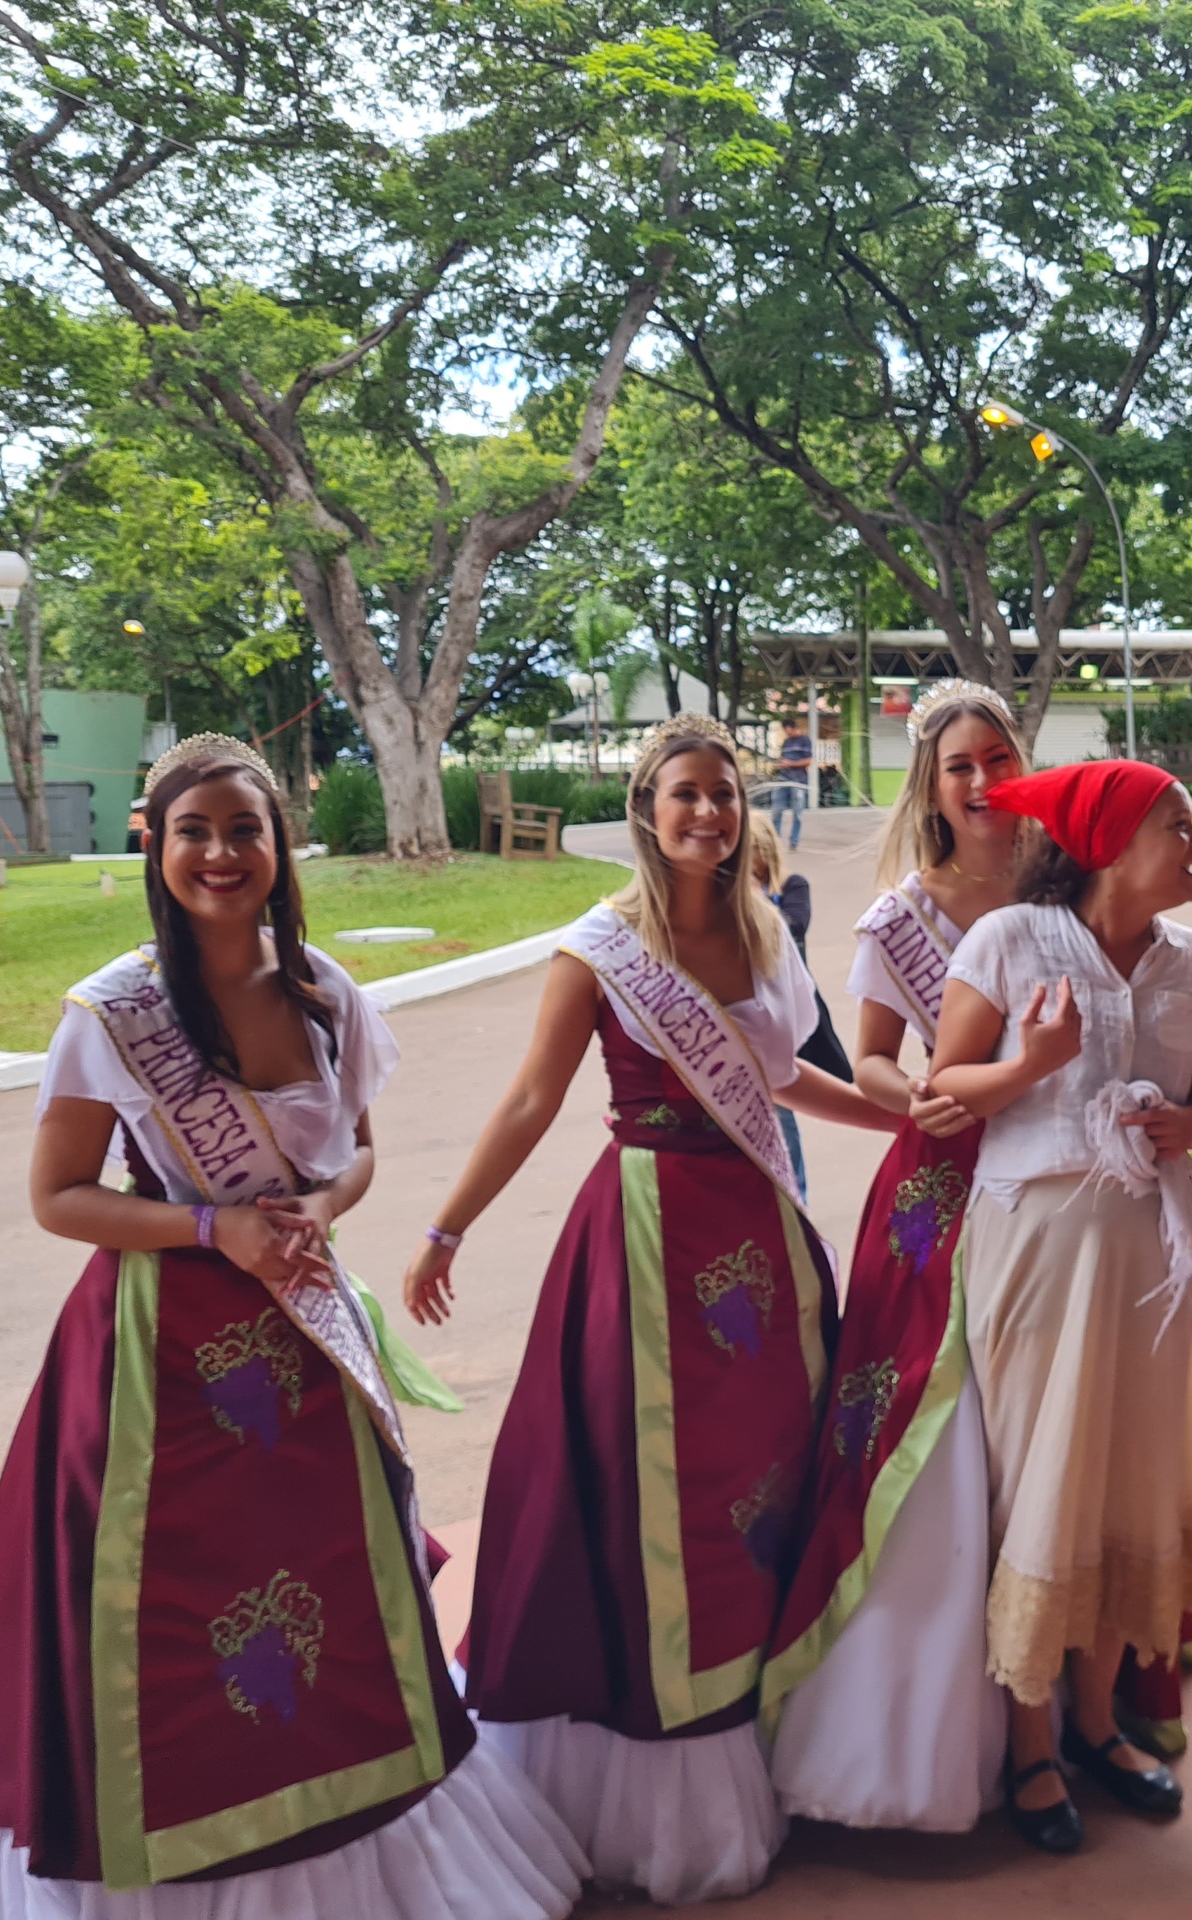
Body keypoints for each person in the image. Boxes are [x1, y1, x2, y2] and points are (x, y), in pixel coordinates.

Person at [0, 735, 584, 1920]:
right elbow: (59, 1198)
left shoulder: (324, 990)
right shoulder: (111, 1015)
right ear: (155, 844)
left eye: (244, 831)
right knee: (169, 1630)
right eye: (195, 833)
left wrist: (314, 1207)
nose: (220, 854)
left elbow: (360, 1149)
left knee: (328, 1602)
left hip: (306, 1349)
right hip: (155, 1365)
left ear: (279, 845)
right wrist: (221, 1234)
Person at [400, 715, 897, 1903]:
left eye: (724, 794)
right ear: (646, 806)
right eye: (685, 793)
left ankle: (765, 1721)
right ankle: (648, 1754)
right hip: (641, 1239)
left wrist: (907, 1117)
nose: (707, 814)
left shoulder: (767, 930)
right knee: (639, 1493)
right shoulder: (600, 947)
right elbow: (530, 1100)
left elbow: (783, 1079)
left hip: (761, 1241)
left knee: (764, 1485)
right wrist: (446, 1224)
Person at [928, 760, 1192, 1856]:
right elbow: (938, 1093)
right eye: (1181, 828)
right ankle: (1031, 1742)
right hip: (1036, 1256)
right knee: (1047, 1474)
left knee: (1132, 1479)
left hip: (1154, 1264)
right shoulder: (1010, 942)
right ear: (1111, 841)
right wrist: (1031, 1064)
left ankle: (1102, 1726)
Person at [762, 679, 1024, 1833]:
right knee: (935, 1427)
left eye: (997, 759)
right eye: (958, 765)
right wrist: (914, 1090)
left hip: (1056, 1183)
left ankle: (1073, 1682)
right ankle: (921, 1706)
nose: (980, 783)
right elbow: (865, 1059)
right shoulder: (898, 922)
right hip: (941, 1186)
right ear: (930, 782)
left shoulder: (1070, 885)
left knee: (1043, 1424)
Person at [742, 812, 852, 1201]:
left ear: (764, 851)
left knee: (781, 1105)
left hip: (783, 1008)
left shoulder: (790, 886)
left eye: (750, 850)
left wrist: (754, 899)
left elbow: (794, 925)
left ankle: (795, 1196)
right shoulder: (727, 895)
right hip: (742, 1012)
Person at [771, 716, 814, 850]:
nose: (786, 732)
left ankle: (794, 841)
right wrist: (781, 764)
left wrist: (791, 763)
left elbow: (808, 761)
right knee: (777, 810)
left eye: (786, 729)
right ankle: (776, 841)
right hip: (783, 780)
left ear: (791, 728)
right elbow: (784, 758)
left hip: (798, 782)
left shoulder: (804, 741)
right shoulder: (786, 742)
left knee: (797, 812)